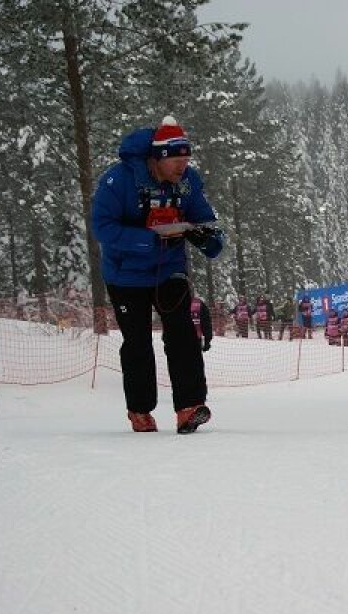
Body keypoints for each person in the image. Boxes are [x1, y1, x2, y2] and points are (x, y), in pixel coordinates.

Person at [91, 115, 224, 434]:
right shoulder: (118, 181)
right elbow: (102, 227)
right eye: (177, 160)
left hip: (169, 269)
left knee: (181, 331)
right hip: (125, 275)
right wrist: (147, 239)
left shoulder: (188, 182)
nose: (183, 166)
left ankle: (189, 407)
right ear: (159, 158)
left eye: (187, 159)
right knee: (136, 342)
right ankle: (140, 410)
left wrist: (207, 239)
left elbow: (205, 221)